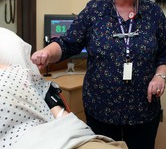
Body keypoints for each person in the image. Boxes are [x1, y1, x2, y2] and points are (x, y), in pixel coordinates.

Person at [31, 0, 166, 149]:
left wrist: (160, 76)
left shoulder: (153, 14)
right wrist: (46, 52)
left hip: (143, 111)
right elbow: (67, 44)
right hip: (101, 109)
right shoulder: (95, 11)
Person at [0, 27, 128, 149]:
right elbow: (67, 43)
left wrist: (69, 125)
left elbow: (57, 110)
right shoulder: (94, 10)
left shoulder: (22, 73)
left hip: (49, 133)